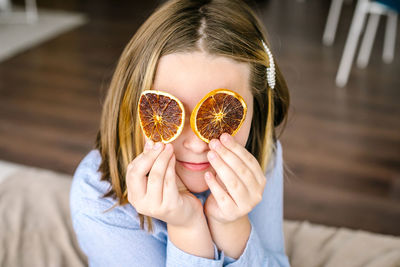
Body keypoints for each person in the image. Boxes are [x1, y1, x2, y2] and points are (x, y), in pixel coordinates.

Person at [69, 0, 291, 266]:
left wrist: (232, 225)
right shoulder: (97, 193)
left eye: (220, 115)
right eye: (167, 112)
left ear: (258, 105)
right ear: (133, 102)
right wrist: (187, 228)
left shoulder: (263, 155)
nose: (197, 144)